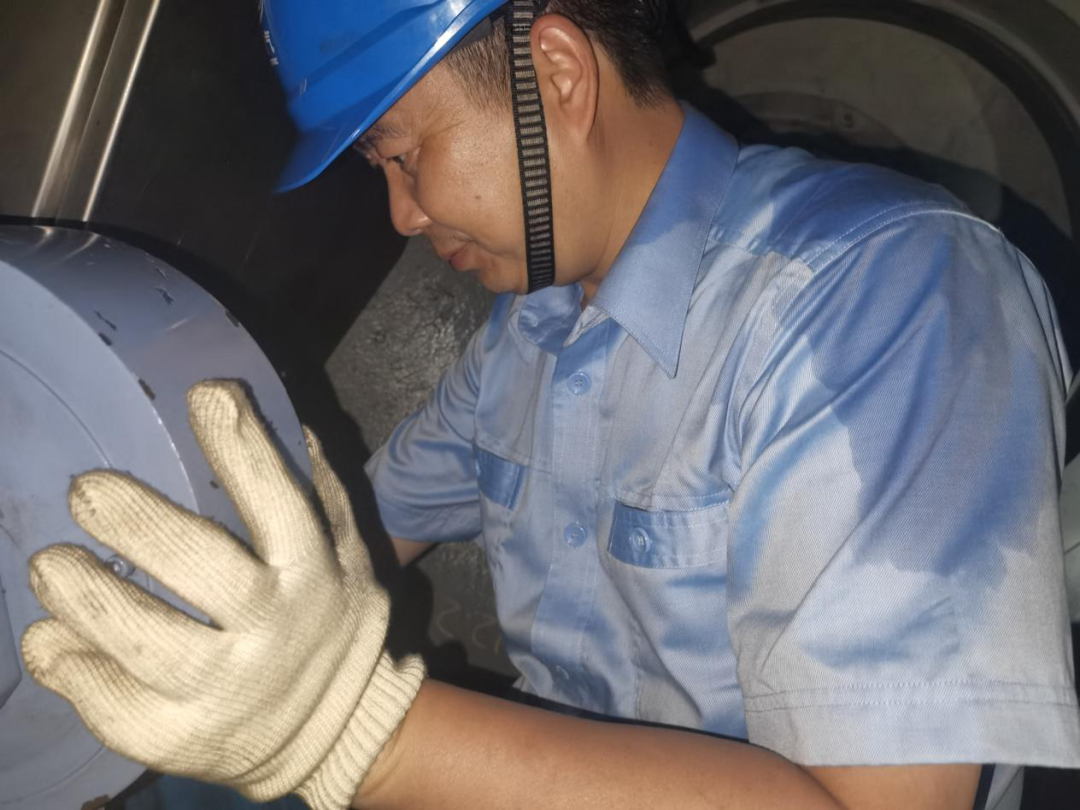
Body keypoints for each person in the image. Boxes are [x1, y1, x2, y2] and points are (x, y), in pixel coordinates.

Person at [20, 1, 1080, 809]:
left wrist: (351, 730)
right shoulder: (530, 336)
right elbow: (362, 537)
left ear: (559, 75)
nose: (400, 213)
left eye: (406, 153)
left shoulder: (887, 288)